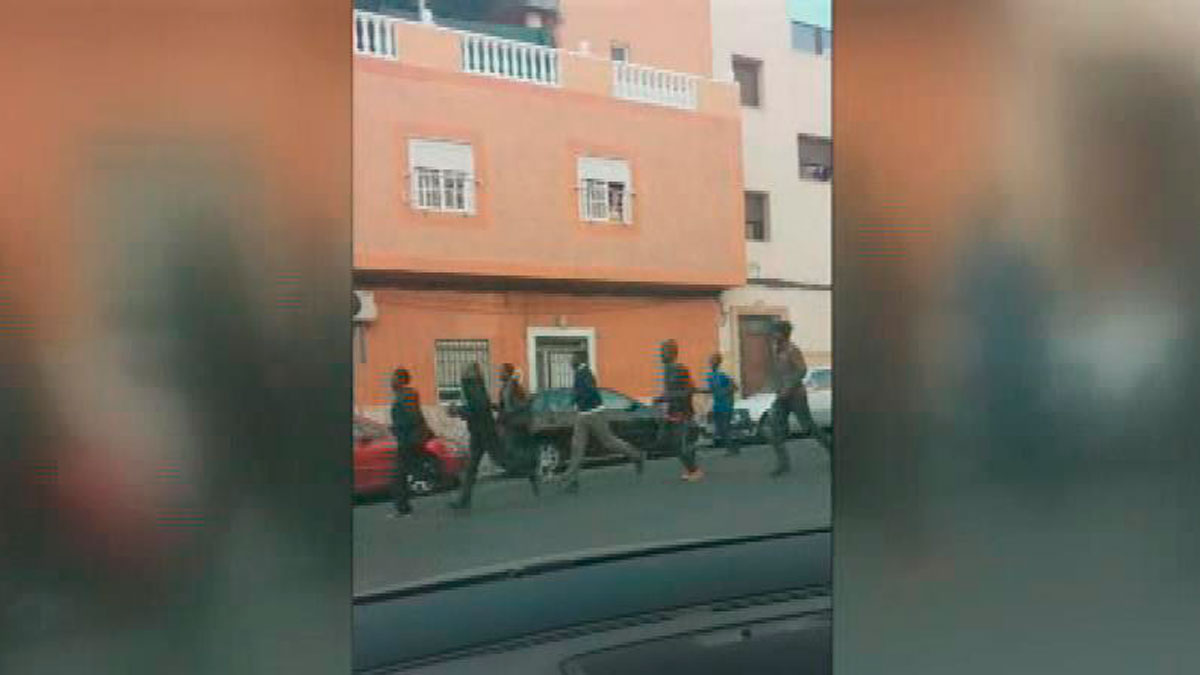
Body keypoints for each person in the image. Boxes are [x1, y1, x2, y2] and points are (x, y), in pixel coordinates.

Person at [563, 353, 644, 493]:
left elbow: (589, 391)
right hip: (582, 415)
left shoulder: (585, 373)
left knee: (609, 442)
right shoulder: (579, 373)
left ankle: (637, 456)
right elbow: (580, 392)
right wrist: (574, 400)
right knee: (577, 447)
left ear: (579, 360)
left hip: (594, 413)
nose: (570, 361)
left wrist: (576, 399)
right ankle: (572, 480)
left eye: (572, 359)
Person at [767, 320, 831, 477]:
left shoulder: (792, 350)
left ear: (783, 334)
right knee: (774, 428)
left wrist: (788, 387)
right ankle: (783, 464)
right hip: (782, 396)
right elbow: (779, 373)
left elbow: (802, 370)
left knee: (808, 427)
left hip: (796, 396)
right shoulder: (777, 350)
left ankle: (832, 448)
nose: (772, 335)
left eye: (775, 332)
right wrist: (777, 388)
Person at [450, 362, 504, 511]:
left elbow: (477, 408)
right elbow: (480, 407)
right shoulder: (475, 385)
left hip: (483, 432)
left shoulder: (472, 385)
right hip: (481, 431)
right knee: (472, 466)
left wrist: (458, 411)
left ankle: (528, 471)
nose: (462, 371)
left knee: (500, 460)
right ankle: (463, 500)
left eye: (465, 369)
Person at [655, 339, 704, 482]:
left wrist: (669, 396)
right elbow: (670, 391)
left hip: (683, 412)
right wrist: (661, 399)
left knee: (679, 444)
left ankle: (694, 470)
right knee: (665, 440)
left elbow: (689, 390)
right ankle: (690, 462)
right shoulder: (667, 370)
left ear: (672, 353)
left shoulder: (680, 369)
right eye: (660, 352)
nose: (661, 355)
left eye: (663, 352)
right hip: (672, 411)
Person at [388, 367, 431, 517]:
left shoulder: (407, 395)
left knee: (397, 475)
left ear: (401, 380)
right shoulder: (403, 395)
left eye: (393, 378)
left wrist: (397, 427)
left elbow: (413, 417)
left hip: (409, 440)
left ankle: (403, 508)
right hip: (408, 439)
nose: (391, 381)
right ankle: (404, 506)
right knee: (403, 473)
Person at [496, 362, 540, 497]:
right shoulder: (506, 387)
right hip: (514, 423)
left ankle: (529, 473)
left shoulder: (512, 387)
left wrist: (509, 412)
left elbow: (517, 406)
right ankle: (530, 474)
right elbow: (506, 406)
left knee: (514, 449)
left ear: (507, 373)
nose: (499, 374)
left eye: (501, 371)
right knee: (515, 449)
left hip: (516, 424)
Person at [702, 352, 740, 456]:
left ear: (718, 362)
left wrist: (725, 392)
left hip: (726, 404)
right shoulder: (710, 376)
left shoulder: (723, 374)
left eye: (713, 360)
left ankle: (731, 449)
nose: (711, 363)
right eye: (710, 361)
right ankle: (734, 446)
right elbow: (711, 390)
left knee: (725, 427)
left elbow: (735, 387)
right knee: (720, 429)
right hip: (717, 405)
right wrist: (698, 391)